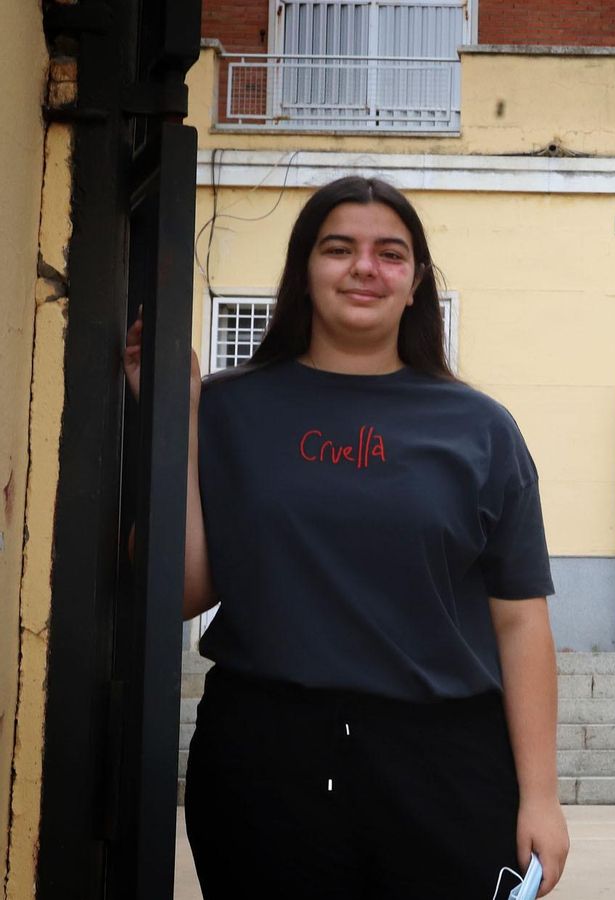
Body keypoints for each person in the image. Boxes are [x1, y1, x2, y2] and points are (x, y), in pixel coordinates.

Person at [123, 176, 569, 898]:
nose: (365, 268)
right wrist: (177, 418)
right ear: (304, 269)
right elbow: (178, 592)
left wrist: (540, 797)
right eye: (339, 249)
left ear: (417, 281)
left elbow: (520, 621)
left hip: (443, 762)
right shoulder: (231, 410)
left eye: (390, 253)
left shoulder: (481, 429)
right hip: (265, 758)